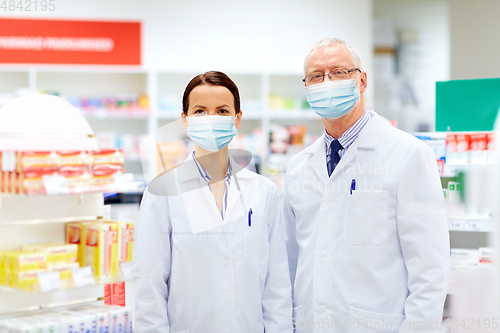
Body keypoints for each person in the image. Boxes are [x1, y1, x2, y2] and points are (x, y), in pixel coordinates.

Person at [283, 38, 450, 332]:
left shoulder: (408, 155)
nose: (326, 82)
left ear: (361, 81)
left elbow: (429, 269)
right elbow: (292, 262)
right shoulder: (298, 167)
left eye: (338, 72)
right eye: (316, 76)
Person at [134, 71, 292, 333]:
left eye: (221, 111)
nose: (211, 119)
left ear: (237, 118)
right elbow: (150, 289)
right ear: (184, 120)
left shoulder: (265, 192)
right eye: (199, 111)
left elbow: (277, 286)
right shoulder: (161, 193)